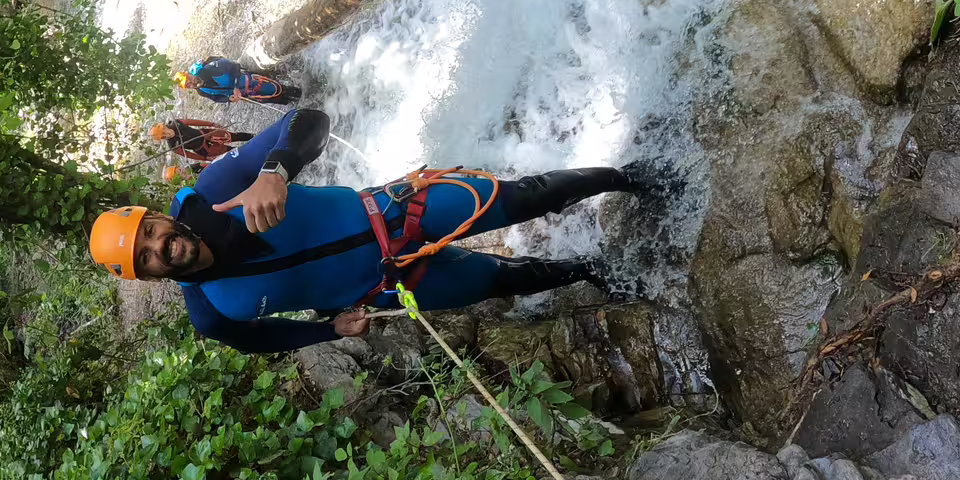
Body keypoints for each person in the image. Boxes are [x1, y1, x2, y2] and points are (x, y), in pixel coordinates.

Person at [89, 107, 644, 353]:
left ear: (157, 217)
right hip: (387, 285)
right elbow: (264, 340)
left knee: (526, 196)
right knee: (500, 279)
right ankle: (591, 269)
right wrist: (328, 332)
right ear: (151, 276)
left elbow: (310, 121)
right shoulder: (212, 315)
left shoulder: (218, 187)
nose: (160, 246)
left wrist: (274, 171)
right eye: (148, 257)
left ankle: (628, 177)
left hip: (398, 211)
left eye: (149, 233)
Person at [177, 55, 301, 105]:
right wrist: (229, 99)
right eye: (187, 85)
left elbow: (235, 66)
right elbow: (216, 98)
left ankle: (301, 93)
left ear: (188, 74)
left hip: (250, 81)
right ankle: (300, 104)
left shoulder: (209, 69)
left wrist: (236, 86)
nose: (190, 83)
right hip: (247, 95)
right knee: (278, 100)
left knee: (279, 89)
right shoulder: (201, 91)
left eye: (188, 80)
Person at [152, 118, 252, 169]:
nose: (166, 135)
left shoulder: (176, 123)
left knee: (233, 136)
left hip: (206, 134)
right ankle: (248, 154)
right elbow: (189, 155)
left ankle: (252, 136)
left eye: (164, 132)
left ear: (165, 127)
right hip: (203, 149)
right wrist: (205, 158)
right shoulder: (173, 146)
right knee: (230, 151)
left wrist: (211, 124)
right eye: (163, 136)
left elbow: (194, 122)